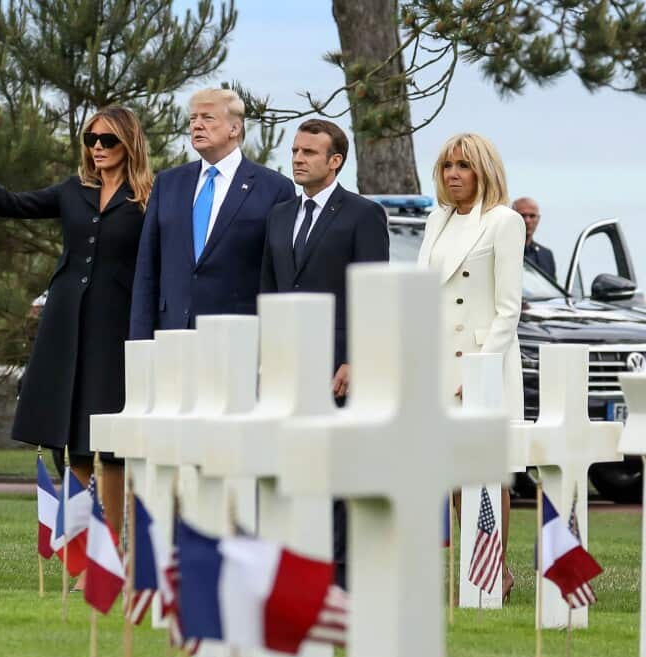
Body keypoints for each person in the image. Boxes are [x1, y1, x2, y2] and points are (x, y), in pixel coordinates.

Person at [0, 107, 154, 537]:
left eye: (107, 140)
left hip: (117, 330)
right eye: (91, 139)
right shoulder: (73, 190)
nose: (97, 148)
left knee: (109, 444)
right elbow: (12, 205)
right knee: (72, 439)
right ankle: (80, 554)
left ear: (129, 143)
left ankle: (111, 552)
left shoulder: (150, 197)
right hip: (66, 325)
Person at [260, 118, 389, 587]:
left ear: (335, 161)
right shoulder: (277, 216)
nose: (297, 159)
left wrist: (357, 357)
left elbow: (374, 293)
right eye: (295, 151)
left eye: (309, 153)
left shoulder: (362, 214)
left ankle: (339, 577)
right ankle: (293, 564)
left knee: (335, 471)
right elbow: (269, 290)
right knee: (289, 468)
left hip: (339, 365)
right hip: (285, 365)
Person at [417, 132, 525, 600]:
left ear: (484, 171)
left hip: (483, 363)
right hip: (438, 362)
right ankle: (473, 563)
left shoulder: (504, 221)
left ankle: (494, 568)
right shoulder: (435, 220)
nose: (454, 175)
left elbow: (509, 307)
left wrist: (478, 370)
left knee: (486, 469)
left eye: (463, 166)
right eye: (447, 166)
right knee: (452, 472)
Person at [129, 89, 295, 340]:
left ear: (234, 129)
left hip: (237, 337)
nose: (197, 125)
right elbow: (147, 269)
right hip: (171, 334)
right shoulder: (168, 183)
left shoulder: (274, 188)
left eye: (207, 118)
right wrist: (140, 340)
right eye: (193, 118)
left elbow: (279, 274)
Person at [512, 197, 558, 280]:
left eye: (532, 216)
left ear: (538, 219)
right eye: (522, 215)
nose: (527, 220)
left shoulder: (546, 256)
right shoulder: (498, 252)